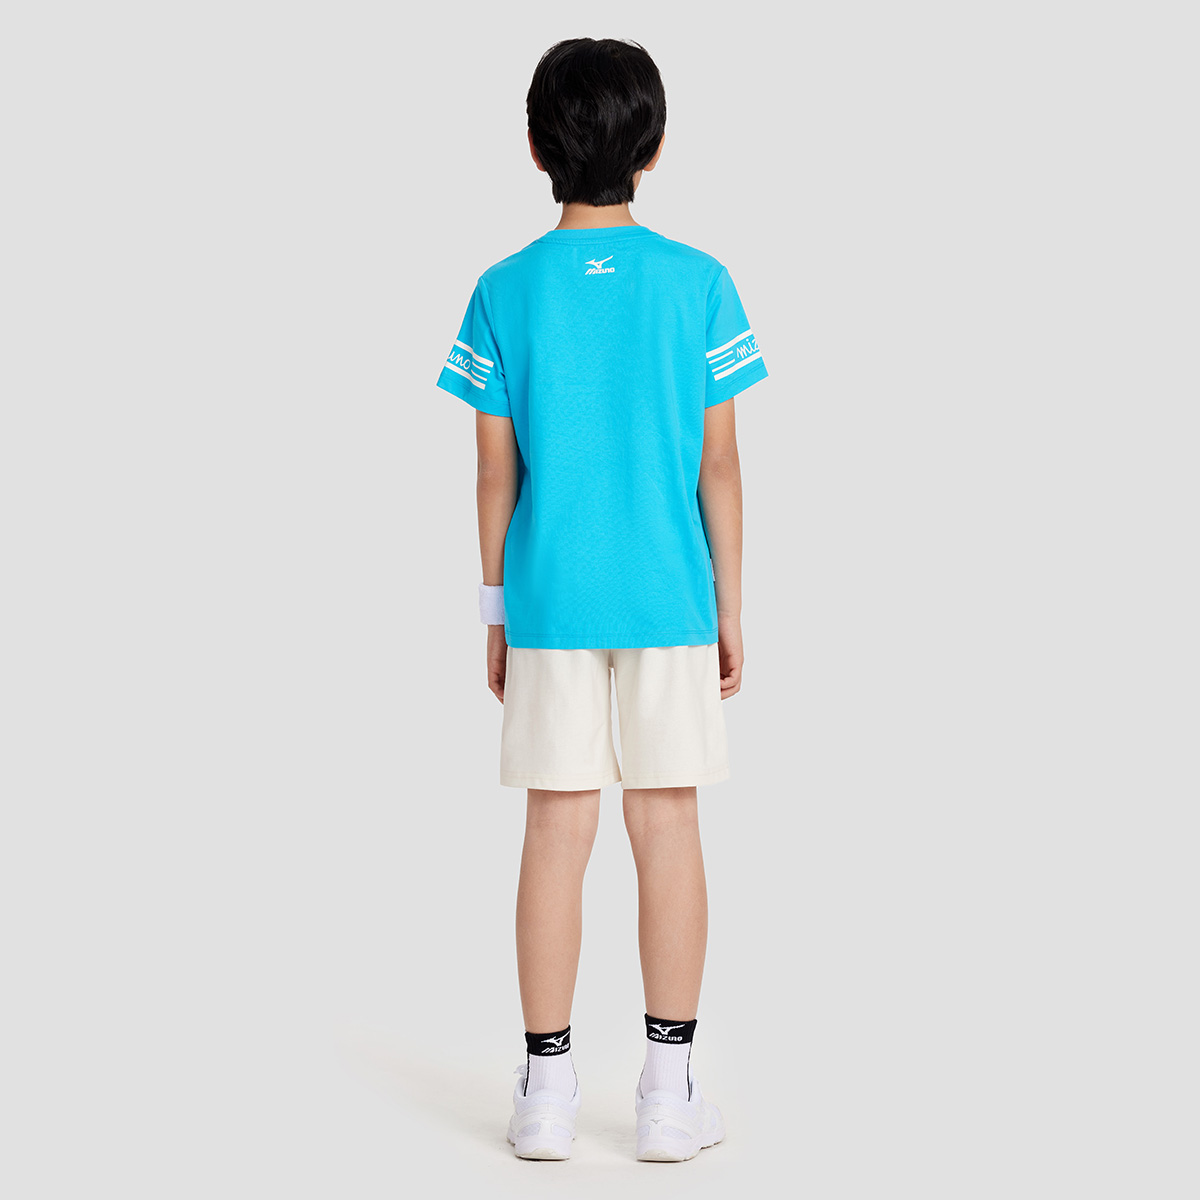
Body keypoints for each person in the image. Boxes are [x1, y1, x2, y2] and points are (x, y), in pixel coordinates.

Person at [435, 37, 768, 1163]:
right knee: (667, 823)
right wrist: (729, 606)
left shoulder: (502, 290)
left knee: (555, 827)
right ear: (655, 148)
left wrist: (495, 610)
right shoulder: (700, 284)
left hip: (549, 600)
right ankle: (669, 1093)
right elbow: (720, 467)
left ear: (535, 147)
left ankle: (546, 1091)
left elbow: (494, 472)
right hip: (672, 596)